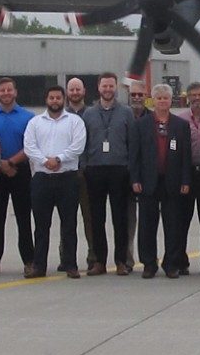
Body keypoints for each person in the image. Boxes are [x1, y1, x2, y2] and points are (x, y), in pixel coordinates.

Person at [23, 85, 86, 279]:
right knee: (41, 226)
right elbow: (29, 147)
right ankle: (39, 266)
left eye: (58, 97)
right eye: (51, 98)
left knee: (69, 224)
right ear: (46, 100)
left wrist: (58, 159)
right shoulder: (35, 123)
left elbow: (78, 146)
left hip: (67, 178)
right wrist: (45, 161)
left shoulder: (75, 122)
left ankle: (71, 265)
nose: (55, 101)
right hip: (42, 179)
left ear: (64, 99)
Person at [131, 83, 193, 278]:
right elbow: (135, 155)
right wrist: (135, 178)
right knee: (147, 225)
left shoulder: (181, 125)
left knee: (173, 225)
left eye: (166, 98)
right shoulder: (141, 124)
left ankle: (171, 264)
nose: (162, 101)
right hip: (148, 181)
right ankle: (149, 264)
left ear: (170, 100)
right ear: (153, 100)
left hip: (172, 181)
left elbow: (186, 156)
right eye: (159, 98)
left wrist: (185, 180)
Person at [82, 71, 135, 276]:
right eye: (104, 86)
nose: (107, 89)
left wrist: (130, 168)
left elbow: (132, 142)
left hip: (119, 170)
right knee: (96, 218)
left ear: (116, 88)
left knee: (120, 217)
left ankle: (121, 260)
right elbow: (83, 144)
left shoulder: (126, 112)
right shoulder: (89, 113)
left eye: (111, 86)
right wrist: (85, 166)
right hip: (95, 170)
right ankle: (99, 261)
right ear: (98, 88)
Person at [0, 77, 35, 274]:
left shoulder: (28, 117)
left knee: (24, 218)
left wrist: (12, 162)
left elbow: (30, 146)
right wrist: (1, 164)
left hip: (20, 171)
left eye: (9, 90)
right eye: (2, 90)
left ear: (15, 92)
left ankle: (29, 261)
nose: (6, 93)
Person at [174, 82, 200, 274]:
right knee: (182, 219)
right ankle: (181, 261)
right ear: (188, 97)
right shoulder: (180, 119)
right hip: (187, 173)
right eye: (194, 95)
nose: (197, 98)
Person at [64, 75, 97, 267]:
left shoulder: (92, 114)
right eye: (71, 89)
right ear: (67, 92)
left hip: (86, 173)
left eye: (78, 89)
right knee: (67, 217)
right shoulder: (60, 115)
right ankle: (66, 256)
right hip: (66, 173)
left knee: (89, 217)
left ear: (84, 91)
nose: (75, 93)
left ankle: (93, 255)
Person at [123, 78, 149, 268]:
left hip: (149, 177)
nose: (137, 98)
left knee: (148, 220)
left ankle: (148, 257)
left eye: (140, 94)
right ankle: (127, 257)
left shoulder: (154, 118)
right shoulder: (122, 116)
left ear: (146, 96)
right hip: (126, 177)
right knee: (127, 220)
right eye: (133, 95)